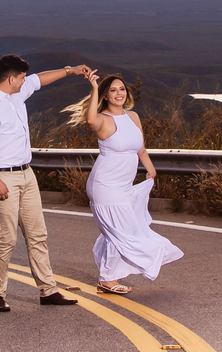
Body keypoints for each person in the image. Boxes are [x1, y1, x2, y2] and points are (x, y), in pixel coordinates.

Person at [0, 54, 93, 312]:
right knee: (6, 239)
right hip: (1, 177)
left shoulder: (15, 93)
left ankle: (48, 290)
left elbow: (40, 80)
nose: (26, 81)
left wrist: (71, 70)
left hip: (26, 173)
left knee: (38, 235)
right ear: (11, 78)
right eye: (22, 78)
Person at [67, 70, 183, 294]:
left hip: (124, 186)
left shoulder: (133, 116)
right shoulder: (102, 119)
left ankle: (107, 279)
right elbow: (90, 120)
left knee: (118, 231)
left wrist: (149, 168)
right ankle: (107, 279)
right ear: (106, 96)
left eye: (121, 89)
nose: (118, 93)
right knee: (122, 232)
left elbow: (139, 147)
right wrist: (93, 88)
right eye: (113, 90)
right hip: (105, 186)